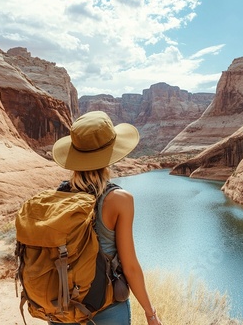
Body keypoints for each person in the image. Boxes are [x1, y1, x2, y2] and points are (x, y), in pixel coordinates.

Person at [50, 110, 163, 325]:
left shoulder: (59, 195)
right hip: (105, 307)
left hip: (61, 306)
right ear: (110, 155)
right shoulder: (120, 199)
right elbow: (129, 266)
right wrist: (150, 313)